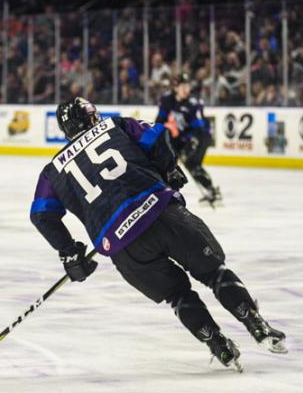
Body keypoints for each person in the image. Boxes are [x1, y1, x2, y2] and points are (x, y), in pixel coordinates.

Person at [30, 97, 286, 371]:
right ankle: (256, 325)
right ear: (93, 116)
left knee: (178, 296)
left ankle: (218, 345)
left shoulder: (53, 171)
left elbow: (41, 214)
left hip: (124, 247)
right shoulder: (116, 125)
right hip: (162, 213)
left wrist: (69, 252)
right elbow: (157, 136)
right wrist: (168, 169)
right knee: (214, 272)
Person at [155, 73, 221, 204]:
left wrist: (189, 142)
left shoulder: (193, 103)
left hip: (200, 138)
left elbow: (199, 129)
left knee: (192, 164)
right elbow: (160, 121)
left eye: (187, 86)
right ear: (175, 87)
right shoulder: (167, 100)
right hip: (181, 138)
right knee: (170, 161)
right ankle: (165, 190)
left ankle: (212, 191)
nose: (186, 89)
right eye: (182, 86)